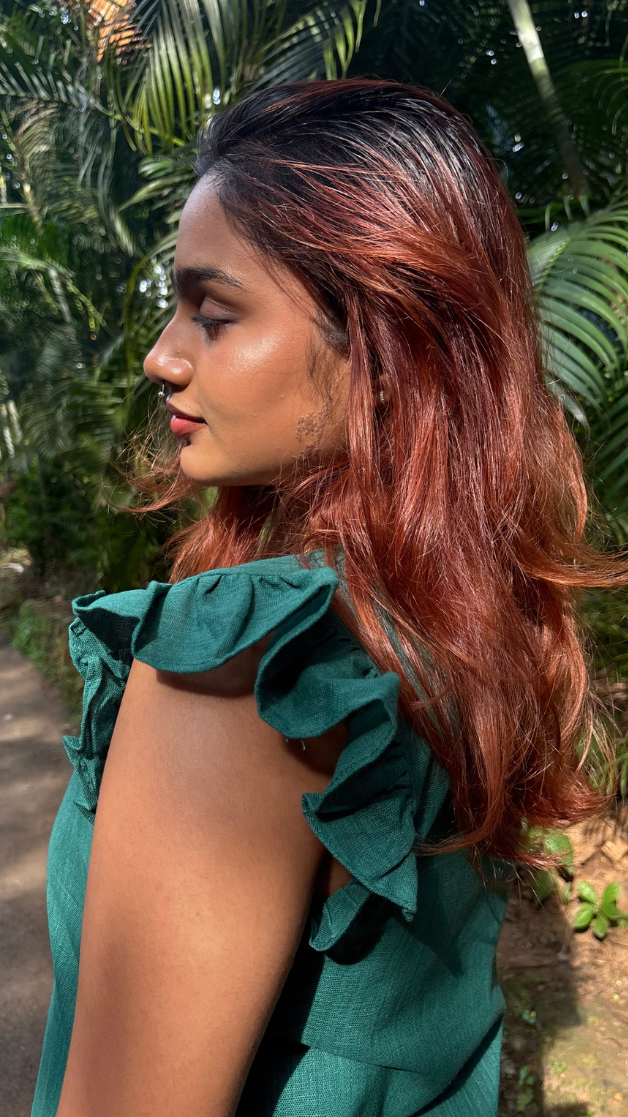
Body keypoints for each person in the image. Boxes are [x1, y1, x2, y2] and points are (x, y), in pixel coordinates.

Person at [31, 79, 627, 1117]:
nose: (160, 357)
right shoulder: (443, 640)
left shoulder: (255, 671)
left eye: (212, 313)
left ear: (386, 352)